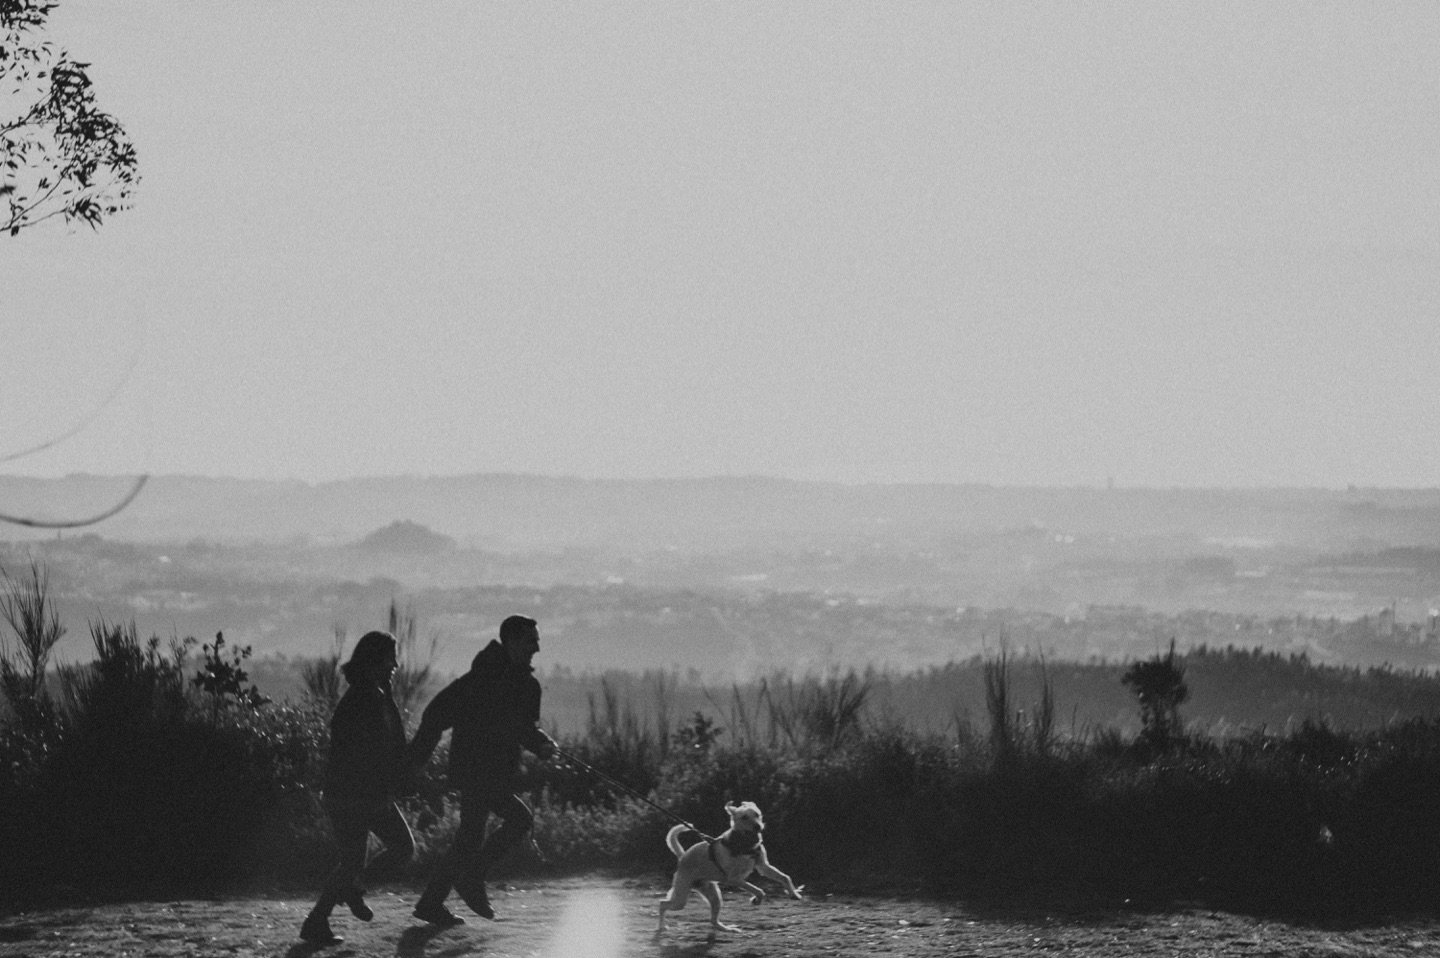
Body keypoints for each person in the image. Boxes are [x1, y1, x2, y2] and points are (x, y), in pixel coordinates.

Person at [406, 614, 557, 925]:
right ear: (513, 642)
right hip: (478, 771)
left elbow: (523, 728)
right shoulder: (482, 680)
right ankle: (469, 880)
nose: (537, 649)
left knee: (471, 837)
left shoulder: (524, 685)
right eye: (532, 641)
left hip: (490, 772)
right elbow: (436, 713)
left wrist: (540, 743)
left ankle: (434, 901)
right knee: (516, 820)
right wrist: (414, 762)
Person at [300, 630, 415, 945]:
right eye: (391, 657)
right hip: (357, 795)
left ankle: (329, 909)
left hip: (355, 793)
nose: (396, 664)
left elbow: (390, 742)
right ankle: (341, 898)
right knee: (391, 850)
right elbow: (372, 749)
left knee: (354, 859)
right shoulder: (365, 698)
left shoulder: (372, 694)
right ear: (376, 660)